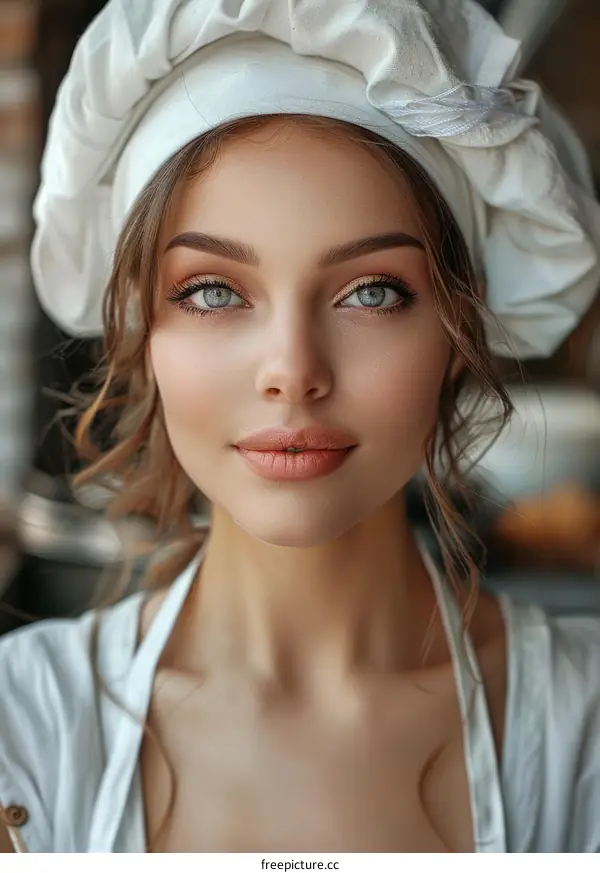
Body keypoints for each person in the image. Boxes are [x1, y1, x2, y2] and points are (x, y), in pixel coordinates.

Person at [1, 0, 600, 854]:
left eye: (371, 291)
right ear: (140, 332)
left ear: (461, 334)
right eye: (212, 290)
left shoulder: (584, 736)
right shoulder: (20, 739)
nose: (292, 369)